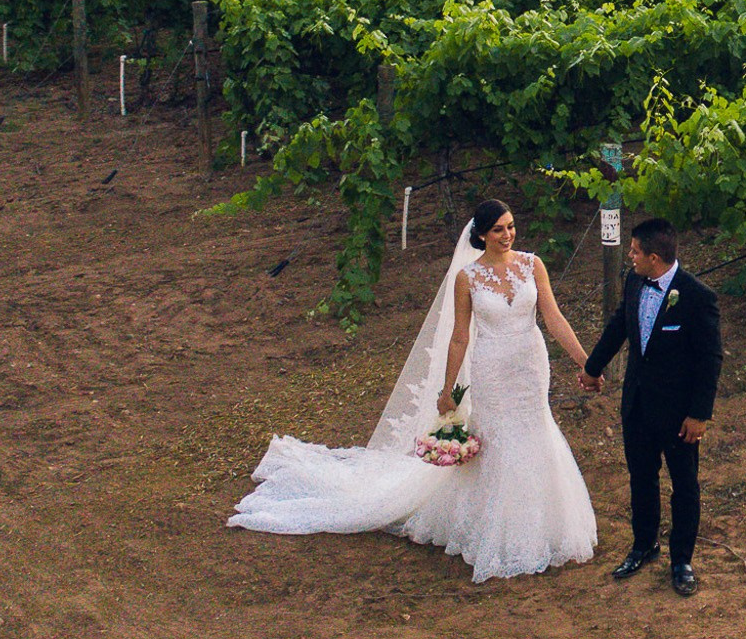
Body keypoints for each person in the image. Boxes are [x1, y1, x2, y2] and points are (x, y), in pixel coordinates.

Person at [226, 200, 600, 583]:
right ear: (482, 235)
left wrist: (587, 362)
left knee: (535, 428)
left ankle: (543, 521)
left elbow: (553, 318)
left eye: (511, 226)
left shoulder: (532, 265)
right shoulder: (467, 278)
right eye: (499, 230)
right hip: (491, 367)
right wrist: (448, 390)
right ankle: (498, 527)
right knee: (498, 437)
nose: (508, 235)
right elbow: (459, 337)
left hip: (529, 363)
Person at [581, 219, 723, 595]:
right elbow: (619, 327)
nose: (630, 256)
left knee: (684, 485)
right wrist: (592, 368)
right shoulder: (633, 282)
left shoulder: (696, 296)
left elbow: (710, 359)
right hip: (638, 406)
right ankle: (644, 544)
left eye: (635, 252)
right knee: (641, 478)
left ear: (654, 257)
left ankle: (681, 559)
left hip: (679, 415)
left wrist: (699, 414)